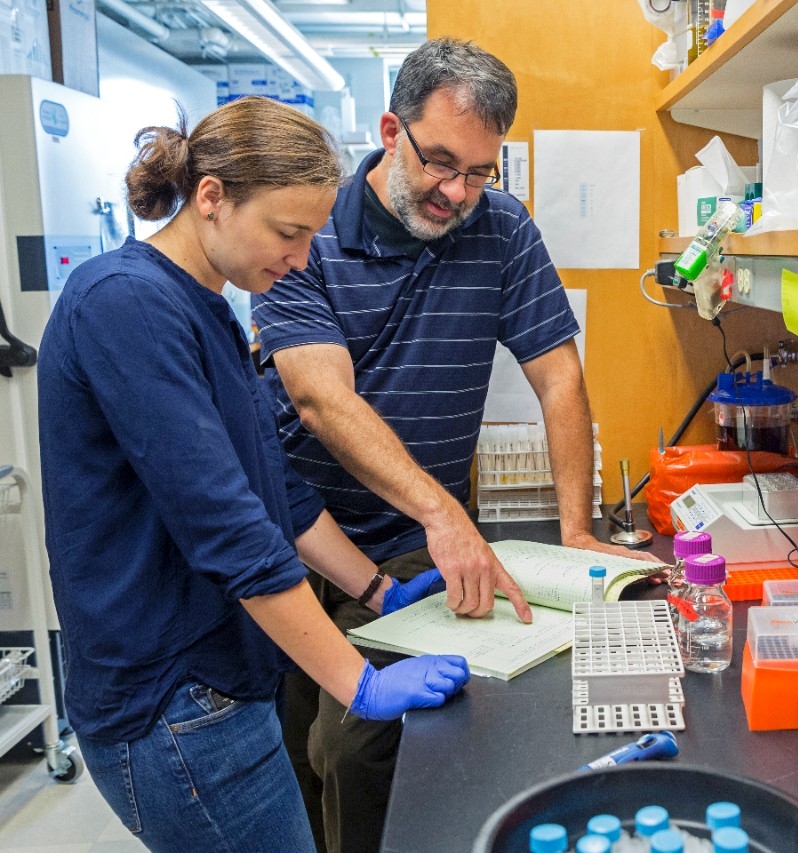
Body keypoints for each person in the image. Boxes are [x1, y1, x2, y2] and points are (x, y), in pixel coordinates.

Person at [252, 37, 661, 853]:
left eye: (479, 172)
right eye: (440, 162)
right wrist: (445, 513)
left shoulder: (500, 229)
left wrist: (576, 530)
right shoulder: (309, 229)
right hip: (298, 538)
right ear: (391, 129)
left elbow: (558, 379)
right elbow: (319, 398)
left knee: (356, 746)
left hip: (412, 551)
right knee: (293, 754)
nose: (455, 192)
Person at [36, 95, 470, 853]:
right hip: (169, 704)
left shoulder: (209, 309)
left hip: (223, 683)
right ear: (212, 198)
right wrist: (358, 684)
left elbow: (275, 488)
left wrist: (378, 590)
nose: (302, 260)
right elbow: (229, 529)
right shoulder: (123, 303)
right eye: (289, 232)